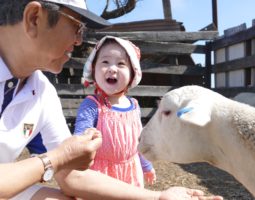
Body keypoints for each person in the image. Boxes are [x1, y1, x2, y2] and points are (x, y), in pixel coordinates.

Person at [0, 0, 224, 199]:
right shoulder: (85, 104)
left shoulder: (41, 92)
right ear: (34, 18)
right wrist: (57, 158)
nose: (79, 40)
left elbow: (72, 176)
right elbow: (63, 159)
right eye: (77, 27)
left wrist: (158, 197)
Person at [74, 36, 156, 187]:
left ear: (133, 73)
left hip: (131, 173)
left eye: (121, 64)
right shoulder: (92, 105)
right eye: (105, 62)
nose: (112, 68)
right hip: (100, 176)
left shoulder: (134, 105)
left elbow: (138, 140)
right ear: (93, 69)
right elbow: (81, 135)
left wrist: (147, 166)